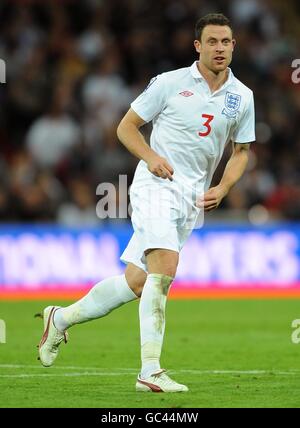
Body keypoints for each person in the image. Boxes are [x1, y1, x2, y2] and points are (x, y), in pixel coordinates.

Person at [38, 13, 255, 393]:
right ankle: (149, 371)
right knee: (166, 267)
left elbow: (241, 152)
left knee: (138, 282)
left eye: (226, 42)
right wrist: (150, 157)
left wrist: (222, 188)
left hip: (192, 197)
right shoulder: (169, 84)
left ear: (234, 46)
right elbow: (125, 127)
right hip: (155, 186)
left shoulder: (243, 97)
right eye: (212, 42)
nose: (219, 48)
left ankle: (60, 318)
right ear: (197, 46)